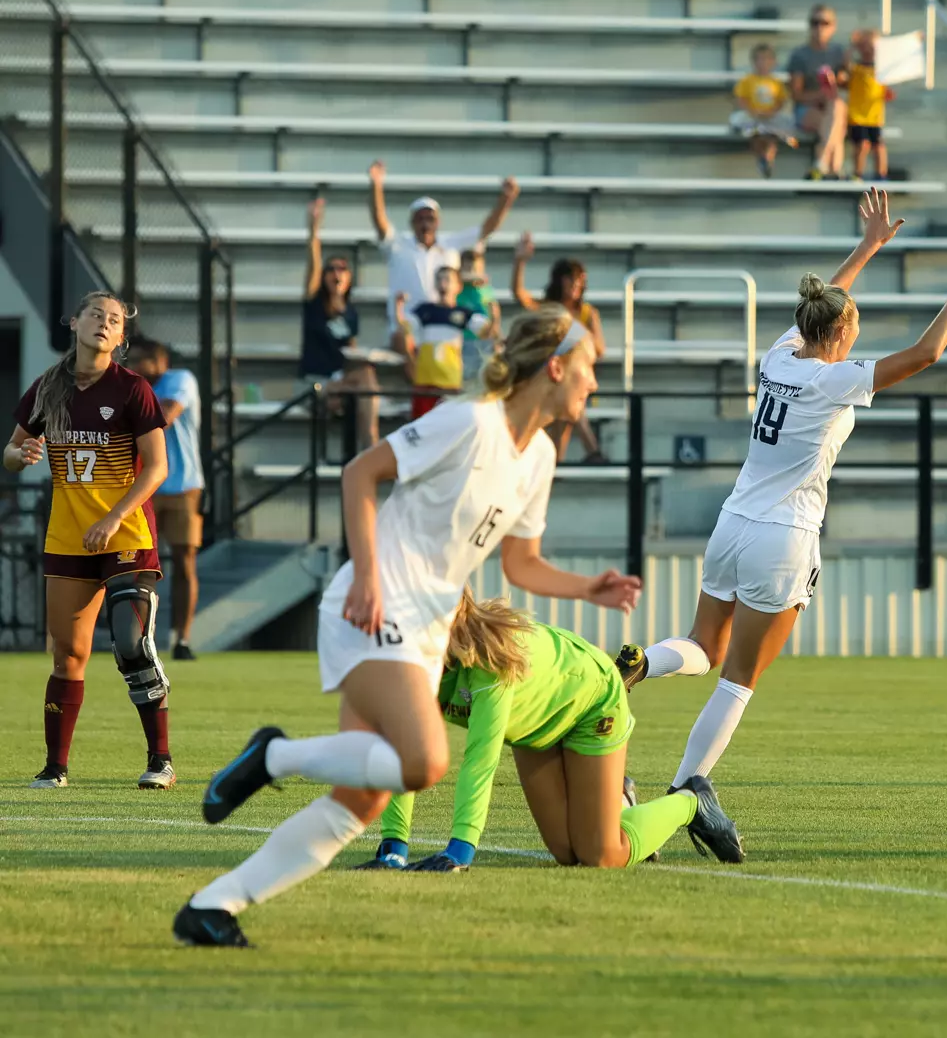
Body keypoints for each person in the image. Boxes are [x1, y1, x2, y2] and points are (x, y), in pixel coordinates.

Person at [173, 310, 642, 947]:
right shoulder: (470, 419)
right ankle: (273, 755)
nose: (594, 382)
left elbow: (520, 563)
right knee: (424, 761)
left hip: (425, 629)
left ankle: (214, 905)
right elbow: (360, 473)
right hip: (371, 603)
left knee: (359, 803)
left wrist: (589, 588)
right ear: (554, 367)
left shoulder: (539, 456)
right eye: (589, 366)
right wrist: (366, 576)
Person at [625, 190, 947, 841]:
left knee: (701, 648)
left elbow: (826, 300)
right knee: (739, 679)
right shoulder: (834, 379)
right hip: (784, 538)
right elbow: (926, 352)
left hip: (732, 524)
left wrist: (869, 246)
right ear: (845, 333)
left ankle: (634, 666)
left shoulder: (779, 355)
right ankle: (686, 785)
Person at [358, 597, 740, 872]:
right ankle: (616, 798)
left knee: (600, 855)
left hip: (590, 701)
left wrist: (460, 851)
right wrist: (393, 847)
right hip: (534, 729)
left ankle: (691, 801)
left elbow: (479, 760)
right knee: (566, 853)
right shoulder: (411, 666)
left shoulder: (487, 665)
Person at [5, 292, 175, 791]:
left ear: (121, 338)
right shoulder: (47, 388)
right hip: (68, 537)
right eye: (96, 314)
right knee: (67, 656)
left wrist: (114, 515)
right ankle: (55, 768)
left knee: (131, 642)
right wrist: (23, 454)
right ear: (75, 322)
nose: (104, 323)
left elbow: (158, 468)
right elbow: (11, 453)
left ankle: (160, 759)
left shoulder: (133, 389)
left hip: (125, 533)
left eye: (115, 320)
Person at [368, 160, 518, 351]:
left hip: (445, 332)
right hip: (408, 330)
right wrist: (376, 185)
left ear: (438, 222)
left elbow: (487, 229)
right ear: (412, 222)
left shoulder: (451, 244)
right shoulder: (398, 245)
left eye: (430, 219)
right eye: (420, 219)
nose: (425, 224)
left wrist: (505, 200)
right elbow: (380, 221)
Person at [127, 338, 206, 663]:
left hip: (183, 485)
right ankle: (140, 639)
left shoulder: (180, 379)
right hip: (145, 486)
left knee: (185, 562)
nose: (136, 367)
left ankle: (182, 639)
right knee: (142, 565)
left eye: (141, 361)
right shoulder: (132, 386)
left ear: (160, 360)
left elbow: (165, 415)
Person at [512, 234, 608, 463]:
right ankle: (585, 453)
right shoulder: (548, 308)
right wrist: (520, 261)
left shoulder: (588, 313)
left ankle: (564, 460)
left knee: (568, 414)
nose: (575, 285)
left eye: (579, 280)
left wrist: (574, 338)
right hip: (550, 373)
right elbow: (519, 295)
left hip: (576, 373)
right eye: (570, 279)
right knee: (563, 416)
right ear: (559, 280)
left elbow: (599, 349)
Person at [301, 197, 379, 452]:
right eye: (332, 269)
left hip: (339, 382)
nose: (337, 273)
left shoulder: (352, 313)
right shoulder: (314, 302)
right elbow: (312, 262)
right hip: (315, 381)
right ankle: (370, 446)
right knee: (366, 385)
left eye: (342, 269)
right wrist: (314, 229)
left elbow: (351, 350)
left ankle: (367, 443)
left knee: (366, 376)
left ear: (349, 277)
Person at [395, 268, 487, 420]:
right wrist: (398, 306)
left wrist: (490, 308)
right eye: (439, 279)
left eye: (448, 280)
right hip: (425, 380)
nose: (443, 284)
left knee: (448, 425)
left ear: (458, 286)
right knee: (422, 424)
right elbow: (404, 327)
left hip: (450, 381)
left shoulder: (463, 313)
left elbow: (486, 330)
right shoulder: (424, 310)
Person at [788, 4, 850, 181]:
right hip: (807, 110)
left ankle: (821, 163)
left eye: (825, 23)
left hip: (830, 109)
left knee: (836, 110)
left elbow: (848, 83)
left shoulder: (839, 53)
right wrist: (819, 96)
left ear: (833, 26)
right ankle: (836, 169)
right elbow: (796, 95)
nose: (819, 28)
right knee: (835, 120)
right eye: (815, 23)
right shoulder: (800, 55)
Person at [731, 43, 799, 179]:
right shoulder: (747, 81)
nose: (762, 63)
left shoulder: (776, 82)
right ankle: (761, 157)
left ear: (773, 62)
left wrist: (772, 111)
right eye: (759, 60)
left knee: (773, 133)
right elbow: (741, 98)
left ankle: (768, 158)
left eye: (766, 59)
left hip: (770, 116)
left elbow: (781, 100)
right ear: (753, 62)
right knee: (746, 126)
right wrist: (752, 111)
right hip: (753, 115)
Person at [845, 28, 890, 182]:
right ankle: (857, 174)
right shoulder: (856, 69)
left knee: (879, 147)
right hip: (858, 117)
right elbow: (845, 67)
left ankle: (881, 174)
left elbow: (885, 91)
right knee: (862, 145)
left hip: (875, 117)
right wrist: (852, 45)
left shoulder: (881, 71)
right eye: (865, 46)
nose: (869, 50)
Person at [456, 246, 502, 393]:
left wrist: (496, 336)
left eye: (476, 268)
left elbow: (494, 312)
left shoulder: (486, 290)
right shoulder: (457, 288)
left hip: (484, 340)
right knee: (465, 379)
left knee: (483, 379)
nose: (473, 272)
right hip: (463, 341)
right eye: (468, 268)